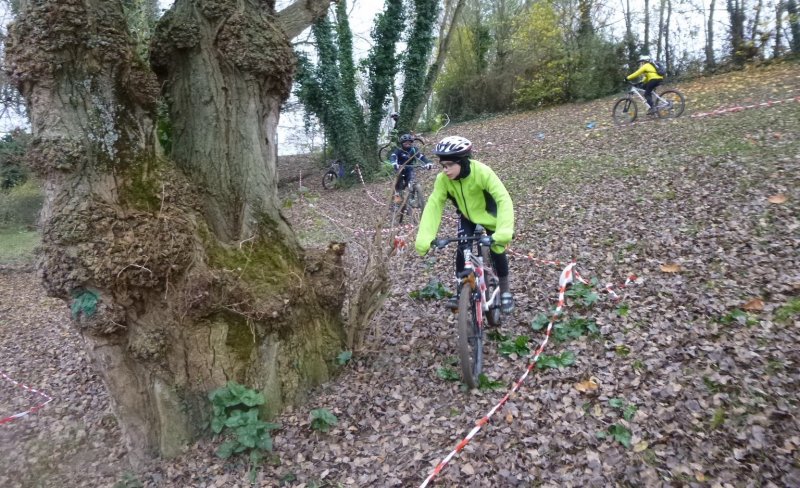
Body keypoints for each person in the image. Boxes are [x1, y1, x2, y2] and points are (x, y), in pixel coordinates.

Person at [415, 136, 515, 313]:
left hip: (490, 216)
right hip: (467, 216)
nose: (445, 170)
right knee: (463, 247)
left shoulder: (482, 172)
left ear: (462, 161)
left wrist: (504, 230)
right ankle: (460, 288)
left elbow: (503, 199)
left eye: (449, 165)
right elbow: (434, 205)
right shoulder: (443, 180)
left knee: (497, 248)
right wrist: (425, 238)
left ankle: (505, 290)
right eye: (443, 166)